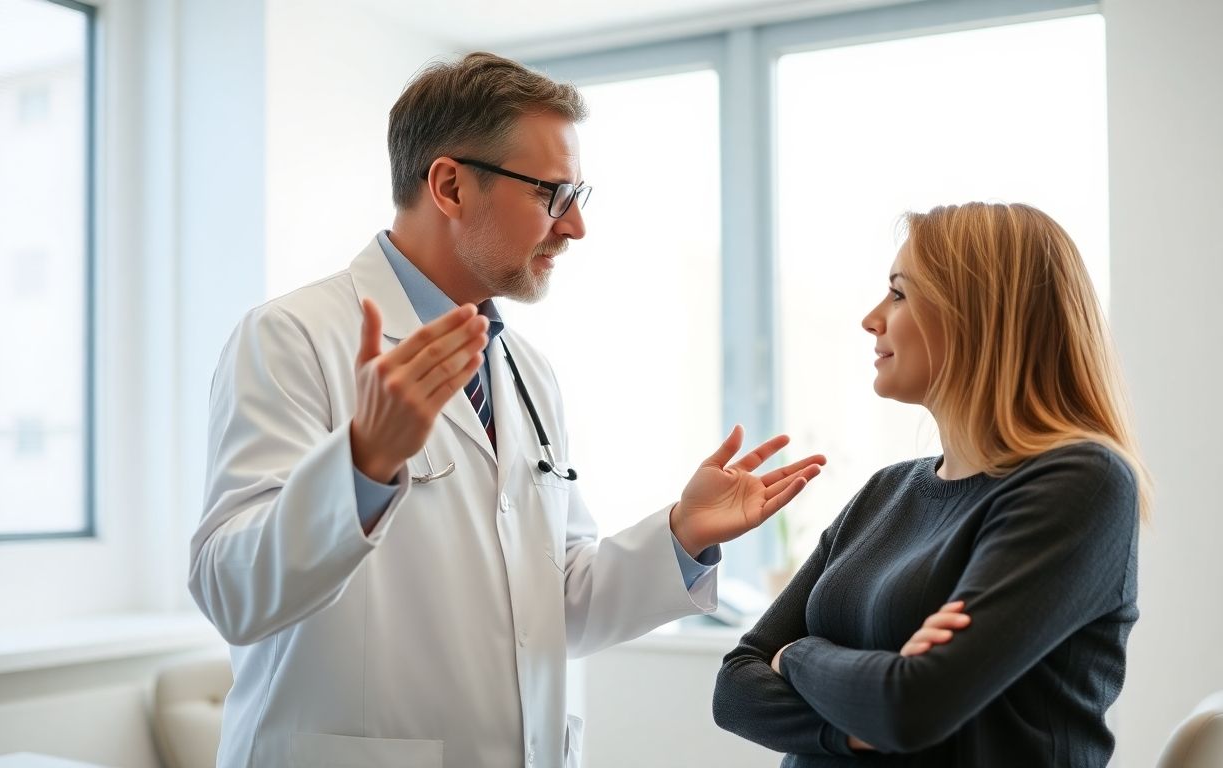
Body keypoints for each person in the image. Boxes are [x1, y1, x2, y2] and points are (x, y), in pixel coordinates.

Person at [189, 52, 826, 768]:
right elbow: (229, 589)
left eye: (577, 194)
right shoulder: (293, 337)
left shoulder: (526, 370)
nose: (576, 225)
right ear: (451, 185)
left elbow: (555, 604)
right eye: (553, 193)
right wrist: (361, 466)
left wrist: (679, 536)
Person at [712, 202, 1149, 766]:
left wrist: (799, 653)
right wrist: (858, 721)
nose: (872, 318)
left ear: (979, 313)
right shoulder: (885, 493)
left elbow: (909, 708)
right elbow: (734, 687)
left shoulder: (1081, 483)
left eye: (898, 293)